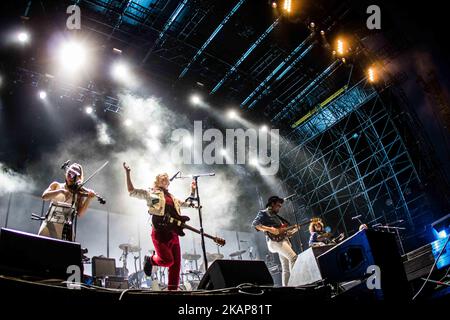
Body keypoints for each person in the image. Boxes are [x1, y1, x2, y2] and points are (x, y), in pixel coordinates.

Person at [123, 162, 195, 291]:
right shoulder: (151, 193)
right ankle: (150, 260)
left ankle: (172, 293)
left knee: (175, 267)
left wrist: (193, 191)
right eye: (162, 178)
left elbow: (188, 204)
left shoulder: (173, 198)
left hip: (174, 234)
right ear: (157, 181)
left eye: (166, 179)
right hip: (160, 233)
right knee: (168, 261)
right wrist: (128, 173)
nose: (165, 180)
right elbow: (131, 191)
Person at [39, 163, 96, 241]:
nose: (70, 176)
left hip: (66, 230)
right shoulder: (56, 185)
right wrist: (60, 191)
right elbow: (44, 196)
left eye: (74, 175)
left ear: (78, 178)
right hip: (48, 226)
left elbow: (80, 213)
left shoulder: (78, 193)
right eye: (69, 172)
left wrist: (88, 199)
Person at [251, 196, 297, 286]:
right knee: (294, 258)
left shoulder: (277, 217)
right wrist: (269, 229)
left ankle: (287, 288)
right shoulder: (264, 213)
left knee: (286, 266)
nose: (279, 207)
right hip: (275, 242)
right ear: (272, 204)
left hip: (283, 240)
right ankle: (295, 283)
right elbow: (255, 224)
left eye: (280, 206)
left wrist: (291, 232)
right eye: (278, 205)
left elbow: (282, 231)